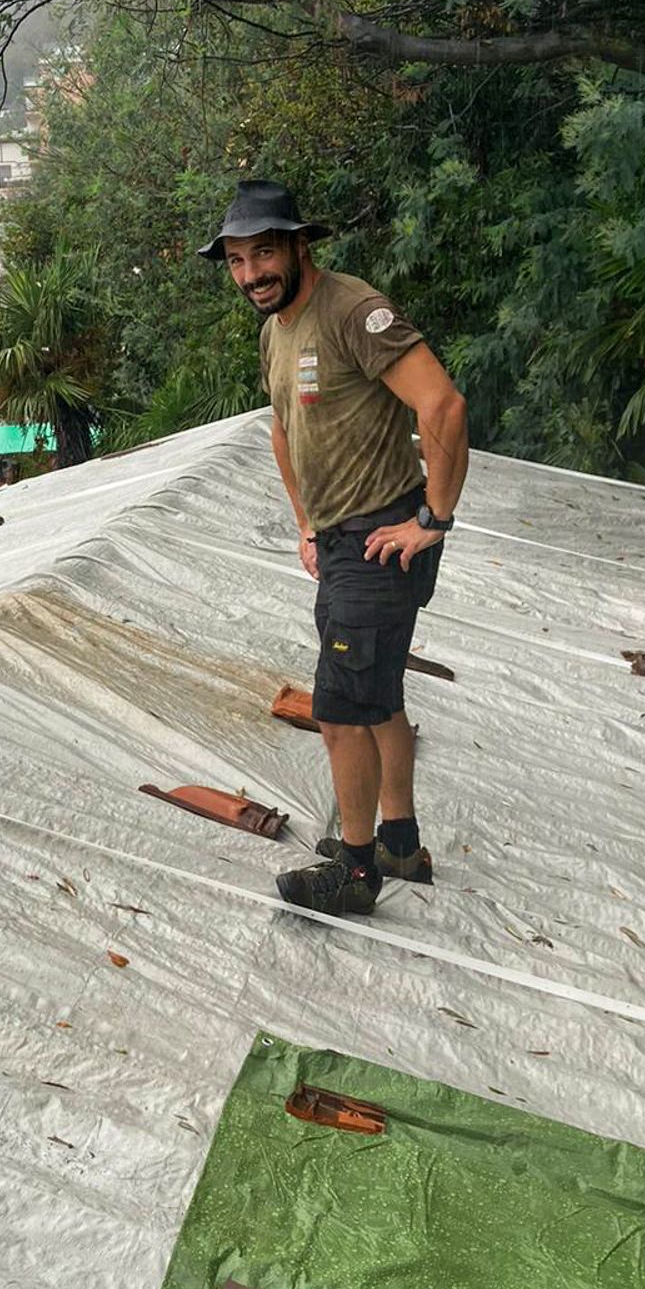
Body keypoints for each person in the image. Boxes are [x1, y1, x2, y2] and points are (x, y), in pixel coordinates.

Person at [200, 179, 469, 917]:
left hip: (383, 539)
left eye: (263, 254)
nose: (250, 273)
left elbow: (442, 403)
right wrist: (307, 523)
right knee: (377, 698)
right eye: (235, 260)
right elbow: (284, 426)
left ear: (298, 245)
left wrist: (434, 520)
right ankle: (399, 843)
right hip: (343, 539)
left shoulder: (353, 310)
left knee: (341, 710)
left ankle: (353, 871)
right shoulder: (276, 330)